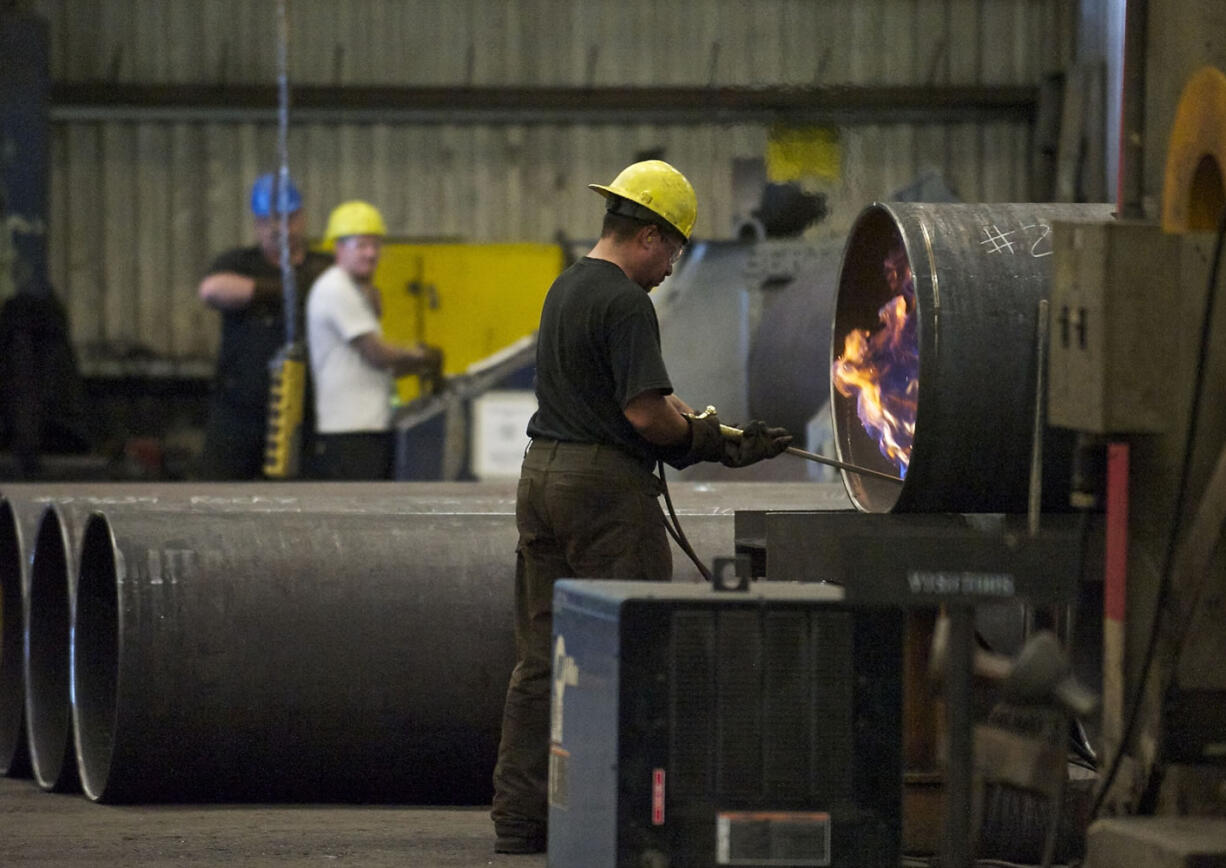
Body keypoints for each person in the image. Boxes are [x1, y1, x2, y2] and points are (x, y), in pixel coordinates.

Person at [490, 159, 792, 854]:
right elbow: (646, 417)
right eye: (675, 249)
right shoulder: (627, 302)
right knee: (641, 647)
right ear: (650, 236)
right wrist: (714, 444)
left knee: (541, 660)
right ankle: (636, 820)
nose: (671, 268)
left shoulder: (567, 286)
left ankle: (519, 817)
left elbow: (648, 398)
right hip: (602, 493)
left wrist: (720, 428)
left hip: (542, 478)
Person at [197, 173, 331, 480]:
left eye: (288, 218)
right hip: (239, 410)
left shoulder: (322, 266)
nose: (278, 228)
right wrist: (286, 289)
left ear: (302, 218)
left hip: (303, 412)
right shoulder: (238, 262)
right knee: (220, 493)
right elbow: (212, 290)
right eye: (268, 220)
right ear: (256, 224)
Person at [305, 200, 442, 480]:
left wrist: (414, 362)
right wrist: (421, 357)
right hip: (351, 434)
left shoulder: (355, 290)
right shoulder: (336, 288)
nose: (371, 254)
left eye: (376, 245)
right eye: (361, 246)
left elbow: (380, 365)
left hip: (366, 427)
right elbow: (376, 355)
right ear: (339, 248)